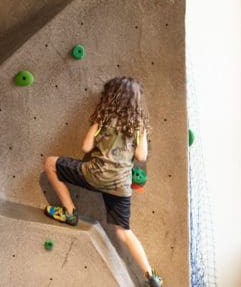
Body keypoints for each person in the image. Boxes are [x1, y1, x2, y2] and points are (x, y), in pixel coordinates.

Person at [42, 77, 163, 286]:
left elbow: (86, 147)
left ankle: (70, 212)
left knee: (51, 163)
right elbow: (142, 156)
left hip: (93, 175)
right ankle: (151, 276)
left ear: (111, 96)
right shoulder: (139, 127)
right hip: (120, 187)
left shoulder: (104, 118)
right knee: (124, 232)